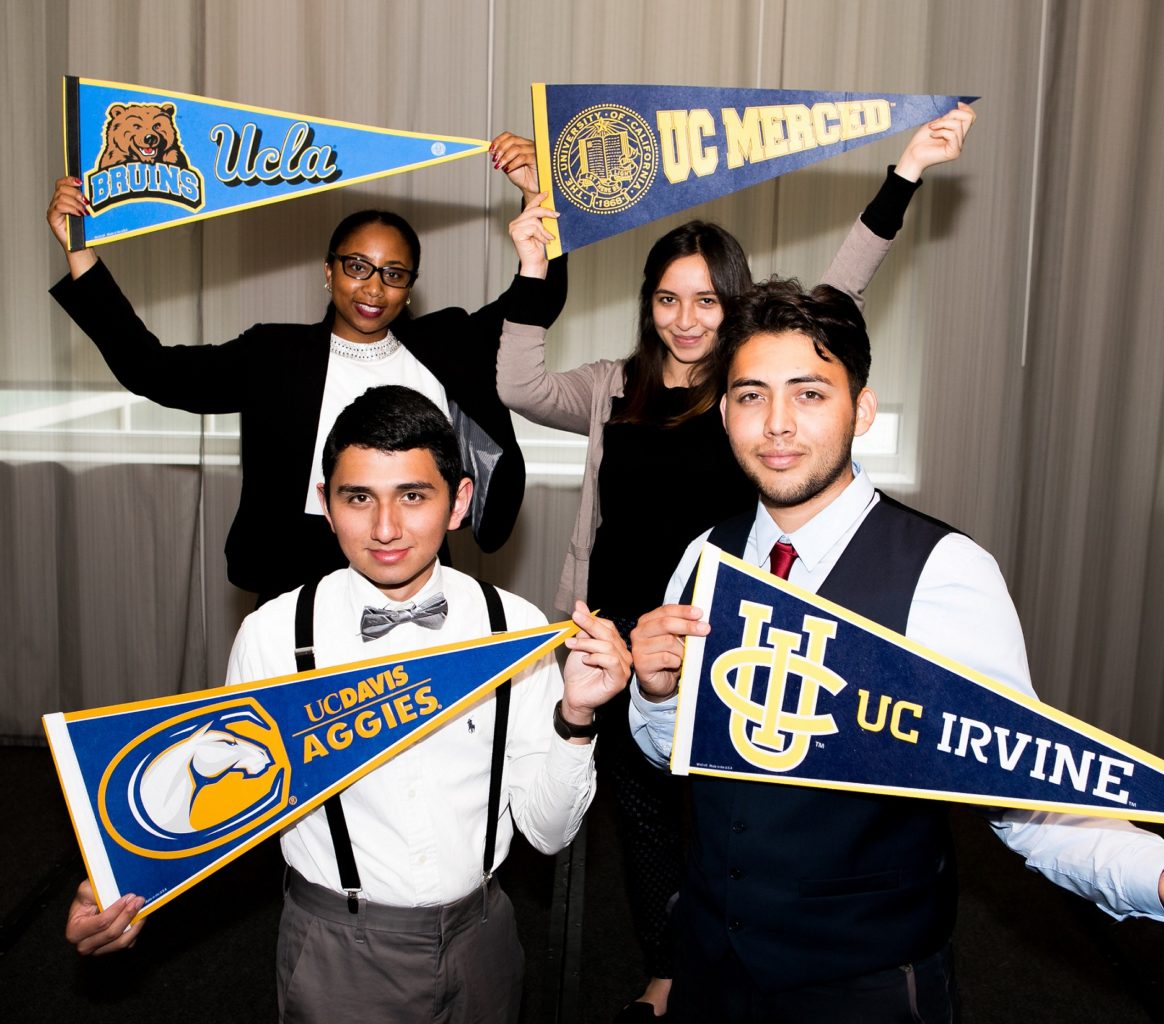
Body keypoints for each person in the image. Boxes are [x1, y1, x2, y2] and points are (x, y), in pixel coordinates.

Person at [628, 280, 1164, 1023]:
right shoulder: (707, 556)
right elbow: (668, 751)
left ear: (860, 410)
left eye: (808, 394)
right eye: (750, 396)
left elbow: (1025, 796)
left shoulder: (944, 572)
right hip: (711, 966)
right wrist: (657, 692)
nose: (776, 425)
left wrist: (1159, 876)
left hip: (863, 980)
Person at [499, 106, 976, 1018]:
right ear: (648, 303)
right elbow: (517, 384)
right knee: (639, 816)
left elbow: (840, 290)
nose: (686, 319)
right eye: (668, 298)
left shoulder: (753, 393)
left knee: (733, 817)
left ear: (735, 304)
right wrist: (533, 258)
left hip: (727, 634)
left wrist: (906, 171)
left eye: (707, 299)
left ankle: (734, 946)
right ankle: (671, 961)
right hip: (617, 640)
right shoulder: (611, 386)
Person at [66, 384, 632, 1022]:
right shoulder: (277, 633)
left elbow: (549, 833)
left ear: (459, 503)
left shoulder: (513, 625)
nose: (385, 528)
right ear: (325, 506)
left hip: (485, 938)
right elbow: (222, 790)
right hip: (336, 948)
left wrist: (576, 718)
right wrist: (121, 890)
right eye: (358, 497)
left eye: (412, 496)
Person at [46, 134, 557, 601]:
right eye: (357, 267)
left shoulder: (446, 342)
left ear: (410, 288)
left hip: (415, 565)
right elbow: (152, 369)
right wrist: (81, 252)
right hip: (293, 571)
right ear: (328, 270)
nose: (374, 288)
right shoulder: (273, 355)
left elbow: (536, 302)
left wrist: (539, 196)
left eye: (394, 274)